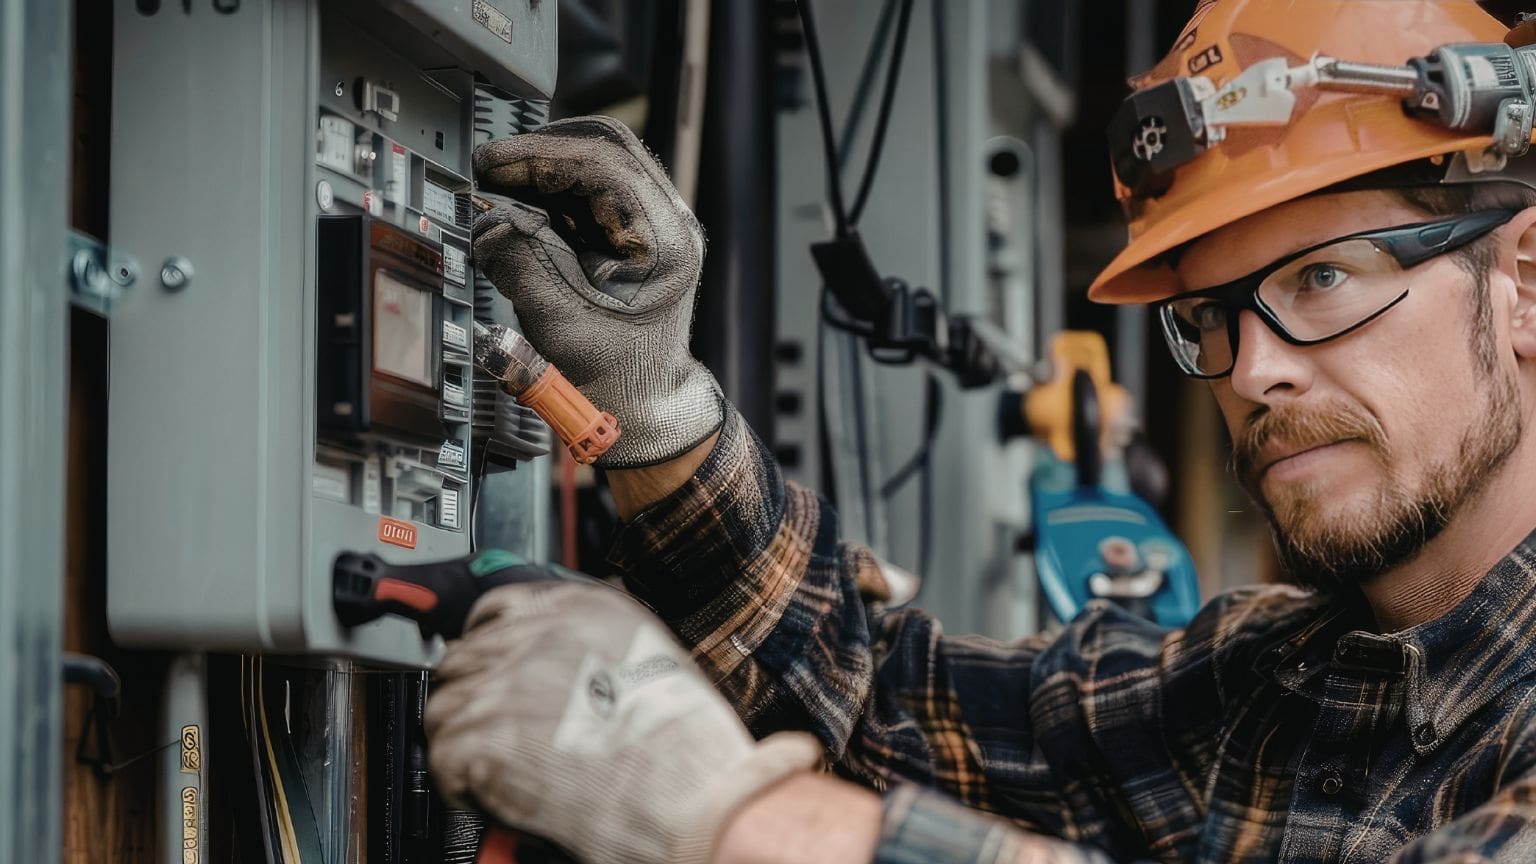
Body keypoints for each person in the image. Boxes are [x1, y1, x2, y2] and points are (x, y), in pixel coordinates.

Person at [423, 2, 1536, 862]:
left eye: (1324, 277)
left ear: (1522, 281)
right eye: (1211, 316)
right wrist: (655, 408)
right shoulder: (1272, 689)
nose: (1253, 369)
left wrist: (738, 820)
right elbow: (880, 711)